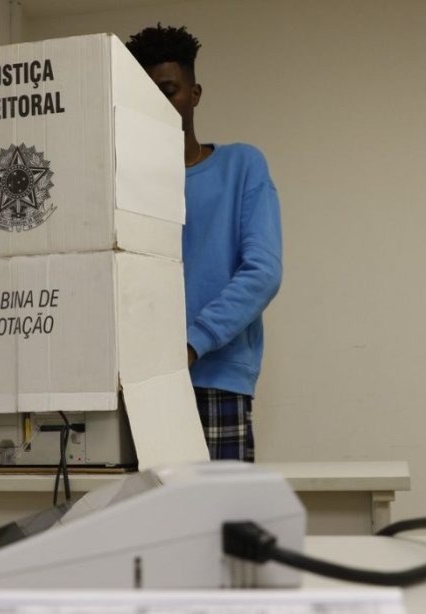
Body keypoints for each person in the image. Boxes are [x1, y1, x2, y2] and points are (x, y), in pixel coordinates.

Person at [126, 24, 282, 461]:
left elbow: (263, 272)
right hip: (138, 388)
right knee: (141, 507)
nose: (159, 104)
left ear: (194, 94)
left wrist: (192, 344)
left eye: (169, 91)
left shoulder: (241, 166)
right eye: (146, 95)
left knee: (217, 506)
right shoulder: (124, 183)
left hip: (215, 381)